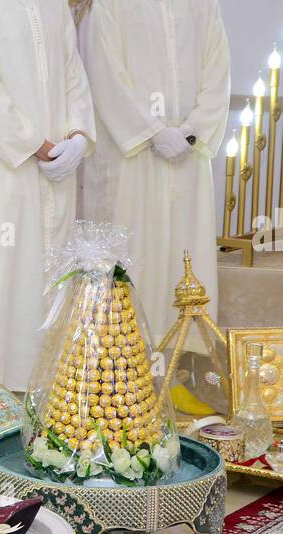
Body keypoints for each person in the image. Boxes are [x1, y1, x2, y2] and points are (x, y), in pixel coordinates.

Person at [0, 0, 96, 392]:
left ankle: (38, 414)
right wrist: (39, 144)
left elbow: (74, 79)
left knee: (45, 291)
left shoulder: (54, 6)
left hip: (53, 177)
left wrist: (78, 138)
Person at [84, 0, 230, 357]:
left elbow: (218, 72)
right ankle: (127, 368)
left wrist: (191, 131)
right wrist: (152, 132)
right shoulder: (110, 6)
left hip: (189, 157)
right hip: (135, 157)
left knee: (187, 255)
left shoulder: (205, 5)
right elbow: (105, 74)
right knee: (137, 255)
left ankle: (181, 370)